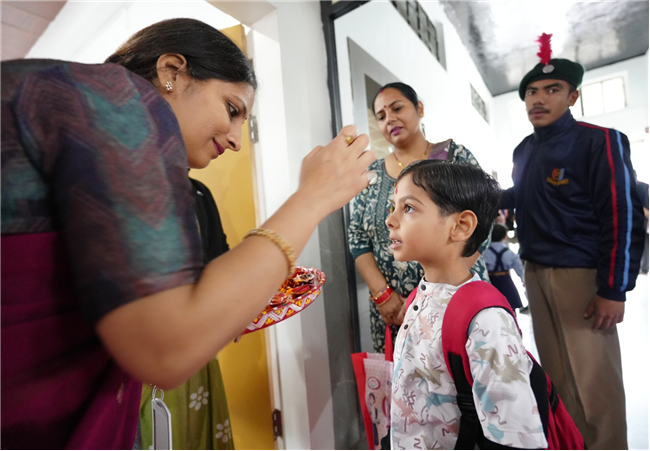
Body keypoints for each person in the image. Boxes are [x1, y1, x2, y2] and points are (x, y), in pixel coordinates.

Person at [0, 18, 375, 449]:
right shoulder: (117, 100)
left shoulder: (147, 160)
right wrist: (312, 198)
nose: (236, 140)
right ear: (172, 73)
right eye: (231, 109)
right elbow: (166, 346)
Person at [501, 36, 645, 450]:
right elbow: (519, 198)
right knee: (559, 382)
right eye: (531, 91)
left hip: (580, 278)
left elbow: (622, 214)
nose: (538, 98)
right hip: (534, 272)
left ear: (573, 97)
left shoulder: (599, 141)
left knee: (595, 386)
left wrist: (613, 289)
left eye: (552, 89)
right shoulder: (524, 150)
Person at [388, 160, 547, 449]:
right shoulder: (419, 298)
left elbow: (514, 436)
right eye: (393, 207)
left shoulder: (485, 319)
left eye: (408, 208)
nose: (390, 220)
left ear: (461, 226)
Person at [348, 82, 490, 354]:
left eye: (397, 108)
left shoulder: (453, 157)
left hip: (453, 294)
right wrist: (383, 295)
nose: (390, 118)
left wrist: (429, 291)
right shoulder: (372, 174)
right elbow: (357, 237)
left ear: (419, 108)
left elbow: (482, 220)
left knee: (462, 371)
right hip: (394, 311)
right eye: (381, 116)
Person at [138, 177, 234, 450]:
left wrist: (233, 312)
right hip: (144, 354)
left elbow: (219, 261)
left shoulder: (199, 193)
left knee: (192, 432)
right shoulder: (129, 187)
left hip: (195, 350)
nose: (234, 144)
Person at [484, 223, 525, 312]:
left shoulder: (484, 252)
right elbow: (519, 268)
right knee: (510, 306)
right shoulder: (509, 252)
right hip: (506, 280)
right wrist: (523, 280)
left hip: (491, 281)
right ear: (505, 237)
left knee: (493, 307)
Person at [635, 176, 649, 275]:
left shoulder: (640, 187)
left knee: (645, 245)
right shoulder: (642, 187)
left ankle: (644, 268)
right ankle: (644, 268)